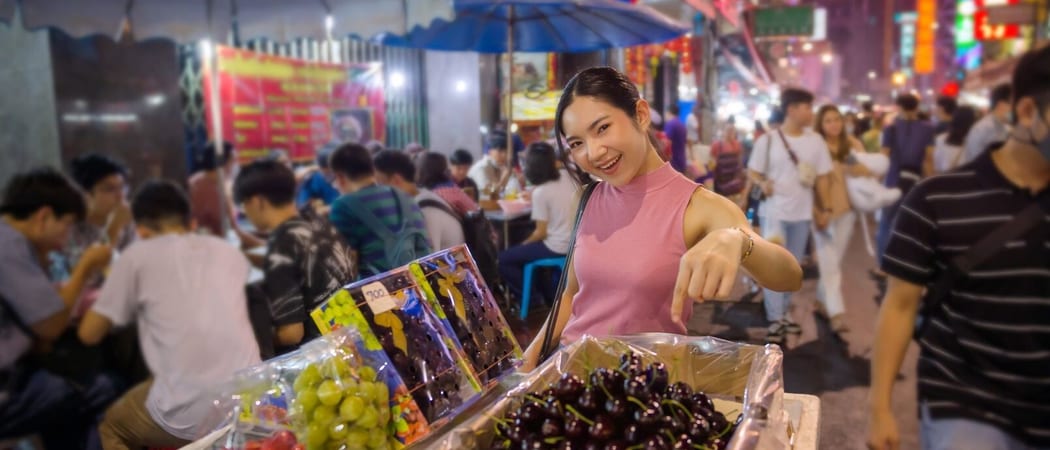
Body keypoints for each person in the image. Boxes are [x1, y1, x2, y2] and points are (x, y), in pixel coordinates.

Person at [521, 67, 802, 369]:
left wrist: (739, 240)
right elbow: (572, 295)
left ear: (640, 115)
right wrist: (527, 363)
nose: (594, 151)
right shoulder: (588, 198)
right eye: (576, 143)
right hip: (573, 381)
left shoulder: (698, 205)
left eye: (602, 128)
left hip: (646, 390)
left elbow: (788, 277)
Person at [867, 45, 1050, 450]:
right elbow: (900, 304)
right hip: (969, 401)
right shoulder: (937, 200)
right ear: (1025, 113)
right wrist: (880, 408)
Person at [77, 180, 260, 448]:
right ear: (190, 221)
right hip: (253, 397)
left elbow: (89, 333)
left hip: (194, 415)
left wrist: (96, 257)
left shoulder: (136, 257)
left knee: (112, 425)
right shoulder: (226, 251)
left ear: (141, 230)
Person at [0, 168, 118, 450]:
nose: (66, 237)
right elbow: (50, 324)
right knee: (102, 388)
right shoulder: (9, 245)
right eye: (66, 225)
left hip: (16, 374)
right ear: (42, 217)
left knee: (68, 395)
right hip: (6, 391)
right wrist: (86, 266)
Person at [234, 160, 355, 351]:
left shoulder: (281, 246)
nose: (246, 213)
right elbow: (298, 260)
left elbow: (291, 334)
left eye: (245, 205)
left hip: (323, 355)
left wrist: (254, 340)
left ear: (258, 202)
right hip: (351, 336)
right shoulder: (315, 222)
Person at [748, 88, 835, 343]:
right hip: (773, 213)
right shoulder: (769, 140)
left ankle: (783, 313)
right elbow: (752, 172)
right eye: (807, 107)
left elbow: (822, 178)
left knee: (793, 267)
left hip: (801, 214)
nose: (811, 112)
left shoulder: (815, 141)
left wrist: (825, 209)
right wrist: (762, 184)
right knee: (776, 266)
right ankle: (776, 318)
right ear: (791, 110)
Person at [812, 105, 871, 337]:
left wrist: (854, 165)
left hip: (847, 209)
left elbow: (867, 173)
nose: (834, 124)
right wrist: (818, 211)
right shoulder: (815, 146)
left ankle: (820, 301)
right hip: (822, 211)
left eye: (837, 119)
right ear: (821, 124)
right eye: (828, 121)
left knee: (834, 260)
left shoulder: (853, 145)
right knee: (829, 263)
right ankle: (836, 314)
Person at [329, 143, 430, 277]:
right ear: (372, 170)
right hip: (420, 288)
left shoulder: (343, 206)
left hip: (378, 294)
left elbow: (345, 270)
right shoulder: (406, 197)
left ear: (340, 178)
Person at [498, 142, 579, 305]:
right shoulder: (570, 177)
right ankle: (545, 294)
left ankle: (532, 300)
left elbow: (540, 233)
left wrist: (523, 244)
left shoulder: (542, 192)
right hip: (577, 243)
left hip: (557, 246)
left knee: (504, 259)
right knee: (527, 252)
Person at [52, 154, 134, 284]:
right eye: (110, 189)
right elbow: (87, 282)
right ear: (85, 194)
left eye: (123, 187)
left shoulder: (127, 223)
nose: (121, 196)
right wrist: (113, 232)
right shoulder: (69, 228)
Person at [875, 94, 936, 268]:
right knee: (910, 224)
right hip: (915, 182)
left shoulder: (891, 128)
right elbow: (928, 159)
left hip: (893, 180)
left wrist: (876, 180)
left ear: (898, 107)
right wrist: (931, 182)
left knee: (886, 223)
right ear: (917, 107)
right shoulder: (928, 129)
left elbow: (884, 155)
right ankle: (903, 264)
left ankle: (883, 265)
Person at [373, 149, 465, 251]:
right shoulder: (422, 197)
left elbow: (429, 262)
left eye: (380, 184)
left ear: (396, 180)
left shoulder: (424, 210)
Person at [188, 141, 236, 237]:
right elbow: (235, 229)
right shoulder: (210, 188)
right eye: (232, 161)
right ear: (223, 163)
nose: (234, 165)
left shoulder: (195, 180)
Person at [963, 84, 1013, 165]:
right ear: (1001, 105)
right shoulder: (984, 128)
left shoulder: (1001, 126)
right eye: (1013, 105)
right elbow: (975, 161)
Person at [416, 152, 480, 216]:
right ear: (449, 166)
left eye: (466, 168)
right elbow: (474, 209)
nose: (462, 172)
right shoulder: (447, 186)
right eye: (458, 168)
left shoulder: (471, 183)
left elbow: (476, 204)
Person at [469, 132, 522, 201]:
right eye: (500, 151)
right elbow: (488, 196)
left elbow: (510, 190)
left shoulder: (499, 166)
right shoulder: (482, 168)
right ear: (490, 152)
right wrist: (505, 177)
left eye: (506, 152)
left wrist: (517, 178)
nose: (504, 155)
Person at [710, 122, 748, 210]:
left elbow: (739, 163)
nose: (730, 133)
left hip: (734, 183)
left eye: (732, 131)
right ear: (723, 131)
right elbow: (711, 163)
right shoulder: (716, 145)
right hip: (721, 183)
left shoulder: (737, 145)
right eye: (728, 130)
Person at [932, 106, 979, 174]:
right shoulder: (973, 142)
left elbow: (936, 164)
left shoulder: (940, 139)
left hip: (942, 179)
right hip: (962, 181)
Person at [295, 145, 341, 212]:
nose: (330, 174)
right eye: (326, 171)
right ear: (320, 168)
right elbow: (302, 204)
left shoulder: (344, 177)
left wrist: (328, 208)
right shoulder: (312, 179)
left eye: (332, 170)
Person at [664, 103, 688, 173]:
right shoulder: (682, 125)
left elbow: (666, 142)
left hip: (674, 163)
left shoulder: (671, 124)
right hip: (682, 161)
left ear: (669, 112)